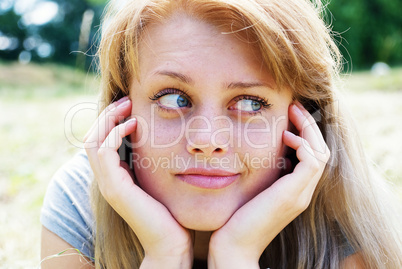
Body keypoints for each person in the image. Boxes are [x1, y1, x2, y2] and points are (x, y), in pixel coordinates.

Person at [40, 0, 402, 268]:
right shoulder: (81, 204)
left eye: (250, 103)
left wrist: (237, 257)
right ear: (121, 108)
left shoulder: (344, 221)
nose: (208, 139)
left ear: (301, 121)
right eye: (174, 98)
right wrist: (165, 256)